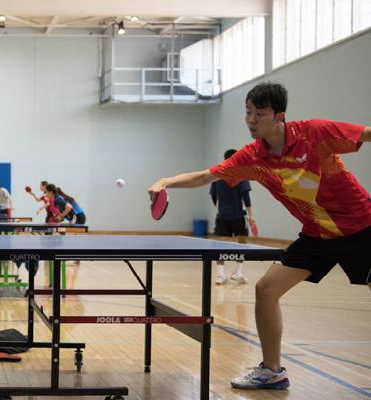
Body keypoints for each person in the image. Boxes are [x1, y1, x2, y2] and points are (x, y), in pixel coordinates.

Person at [147, 82, 371, 390]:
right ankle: (272, 370)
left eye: (259, 114)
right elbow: (205, 176)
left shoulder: (315, 133)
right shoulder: (252, 156)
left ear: (279, 116)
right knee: (266, 289)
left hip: (362, 228)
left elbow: (365, 133)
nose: (251, 120)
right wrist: (164, 181)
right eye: (248, 112)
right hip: (316, 236)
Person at [210, 149, 255, 285]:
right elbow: (246, 197)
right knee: (242, 244)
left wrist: (221, 208)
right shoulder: (241, 174)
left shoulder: (217, 174)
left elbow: (213, 196)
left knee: (220, 246)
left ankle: (220, 275)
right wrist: (251, 215)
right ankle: (237, 272)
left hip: (222, 216)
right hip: (237, 217)